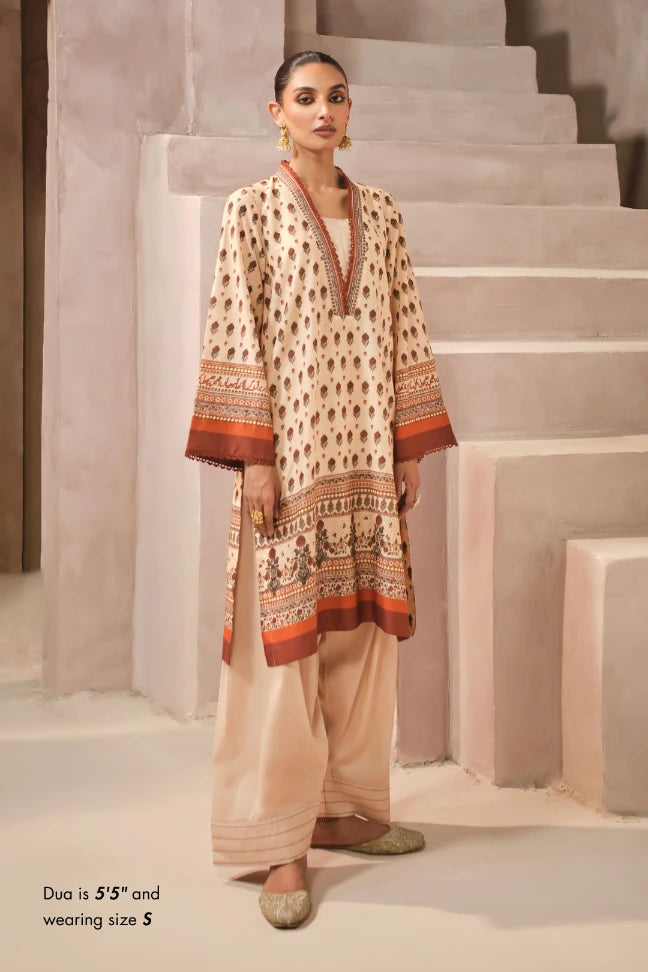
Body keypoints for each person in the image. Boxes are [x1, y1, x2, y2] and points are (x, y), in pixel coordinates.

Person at [184, 50, 458, 929]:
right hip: (293, 461)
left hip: (368, 460)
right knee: (287, 654)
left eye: (336, 97)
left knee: (364, 645)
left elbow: (405, 324)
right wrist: (256, 458)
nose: (323, 111)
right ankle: (282, 843)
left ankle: (344, 811)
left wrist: (409, 447)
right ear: (277, 113)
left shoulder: (382, 212)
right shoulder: (252, 211)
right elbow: (236, 327)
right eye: (305, 98)